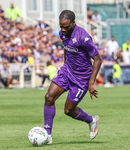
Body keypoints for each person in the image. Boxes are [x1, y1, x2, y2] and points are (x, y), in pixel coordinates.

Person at [44, 10, 102, 144]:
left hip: (81, 79)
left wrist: (91, 83)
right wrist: (65, 65)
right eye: (61, 26)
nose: (63, 30)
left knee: (68, 110)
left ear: (73, 23)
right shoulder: (63, 33)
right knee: (49, 97)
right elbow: (66, 47)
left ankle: (92, 120)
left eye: (66, 27)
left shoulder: (84, 37)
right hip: (67, 72)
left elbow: (97, 59)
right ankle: (47, 135)